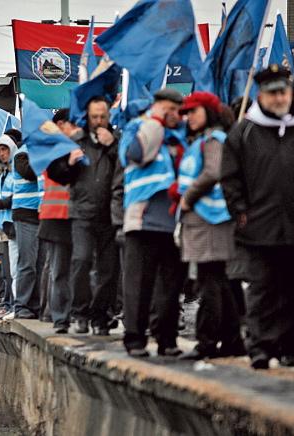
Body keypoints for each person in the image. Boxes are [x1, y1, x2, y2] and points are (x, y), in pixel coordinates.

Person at [221, 64, 294, 369]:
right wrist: (241, 213)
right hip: (259, 228)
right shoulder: (244, 132)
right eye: (273, 93)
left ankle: (287, 346)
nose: (279, 98)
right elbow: (230, 179)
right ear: (261, 95)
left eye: (283, 92)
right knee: (262, 290)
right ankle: (260, 346)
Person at [175, 92, 245, 360]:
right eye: (187, 113)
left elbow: (213, 171)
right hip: (205, 219)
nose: (189, 117)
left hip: (210, 218)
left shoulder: (214, 140)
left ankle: (207, 342)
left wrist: (188, 198)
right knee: (218, 281)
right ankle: (232, 340)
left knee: (210, 282)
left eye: (194, 111)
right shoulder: (203, 140)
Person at [118, 89, 186, 358]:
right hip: (143, 220)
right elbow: (136, 154)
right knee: (139, 285)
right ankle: (135, 339)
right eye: (168, 109)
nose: (174, 115)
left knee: (171, 286)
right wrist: (155, 122)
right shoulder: (137, 128)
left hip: (174, 222)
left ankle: (167, 339)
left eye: (177, 110)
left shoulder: (181, 136)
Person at [47, 99, 123, 335]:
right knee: (81, 261)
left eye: (103, 116)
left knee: (108, 269)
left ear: (108, 117)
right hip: (81, 212)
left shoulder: (117, 139)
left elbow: (128, 166)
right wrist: (69, 164)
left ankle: (100, 316)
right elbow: (56, 173)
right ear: (88, 117)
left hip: (110, 213)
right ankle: (80, 313)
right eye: (94, 116)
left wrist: (112, 146)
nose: (99, 121)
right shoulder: (76, 140)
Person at [39, 109, 76, 333]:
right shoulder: (52, 150)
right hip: (57, 217)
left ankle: (70, 314)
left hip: (76, 216)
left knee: (72, 269)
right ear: (61, 124)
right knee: (60, 269)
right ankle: (60, 316)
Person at [10, 142, 44, 319]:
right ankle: (22, 305)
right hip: (25, 214)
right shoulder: (21, 155)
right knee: (28, 263)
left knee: (40, 264)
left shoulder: (42, 151)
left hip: (41, 214)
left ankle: (36, 305)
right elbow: (30, 172)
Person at [0, 134, 18, 318]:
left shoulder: (17, 169)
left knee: (14, 268)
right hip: (2, 225)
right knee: (7, 269)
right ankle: (9, 305)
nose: (1, 154)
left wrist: (5, 202)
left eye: (4, 149)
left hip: (14, 223)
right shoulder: (4, 173)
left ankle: (15, 305)